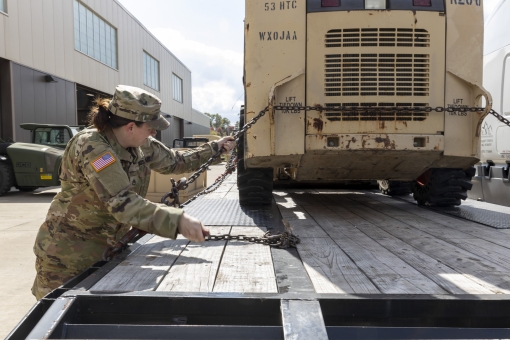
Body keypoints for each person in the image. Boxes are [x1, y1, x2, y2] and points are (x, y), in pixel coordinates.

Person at [32, 85, 235, 300]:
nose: (154, 132)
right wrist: (178, 221)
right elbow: (123, 203)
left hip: (109, 250)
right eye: (150, 127)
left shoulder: (140, 144)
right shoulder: (93, 146)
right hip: (68, 259)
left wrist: (216, 148)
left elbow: (175, 162)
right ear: (130, 127)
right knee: (59, 322)